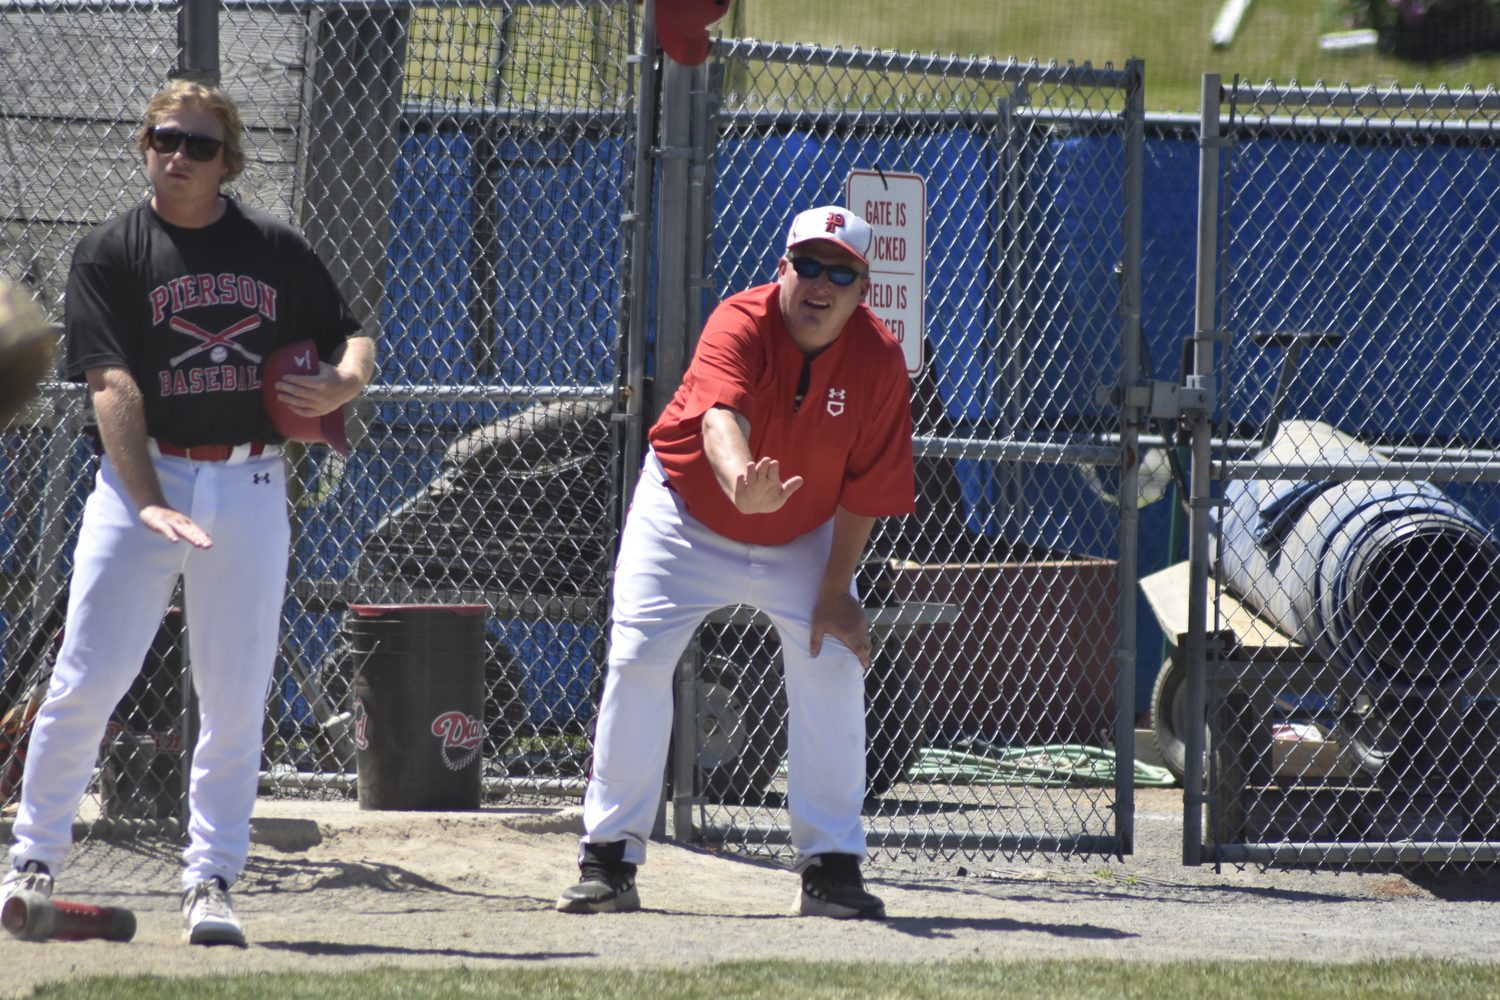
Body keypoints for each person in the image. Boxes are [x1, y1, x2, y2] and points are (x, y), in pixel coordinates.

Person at [0, 80, 375, 946]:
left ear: (226, 161)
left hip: (247, 484)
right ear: (144, 147)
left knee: (235, 694)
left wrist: (344, 381)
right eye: (164, 139)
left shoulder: (275, 249)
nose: (177, 156)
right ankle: (33, 861)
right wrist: (149, 501)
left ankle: (210, 879)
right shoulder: (111, 252)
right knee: (88, 677)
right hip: (144, 482)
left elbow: (351, 331)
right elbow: (112, 386)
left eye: (198, 145)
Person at [558, 206, 914, 919]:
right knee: (637, 659)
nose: (820, 283)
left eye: (838, 272)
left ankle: (833, 866)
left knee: (833, 660)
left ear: (862, 288)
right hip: (687, 515)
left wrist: (838, 589)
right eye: (806, 265)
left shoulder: (879, 361)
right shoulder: (740, 320)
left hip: (804, 534)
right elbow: (720, 416)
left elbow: (866, 488)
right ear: (781, 269)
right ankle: (609, 858)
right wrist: (740, 476)